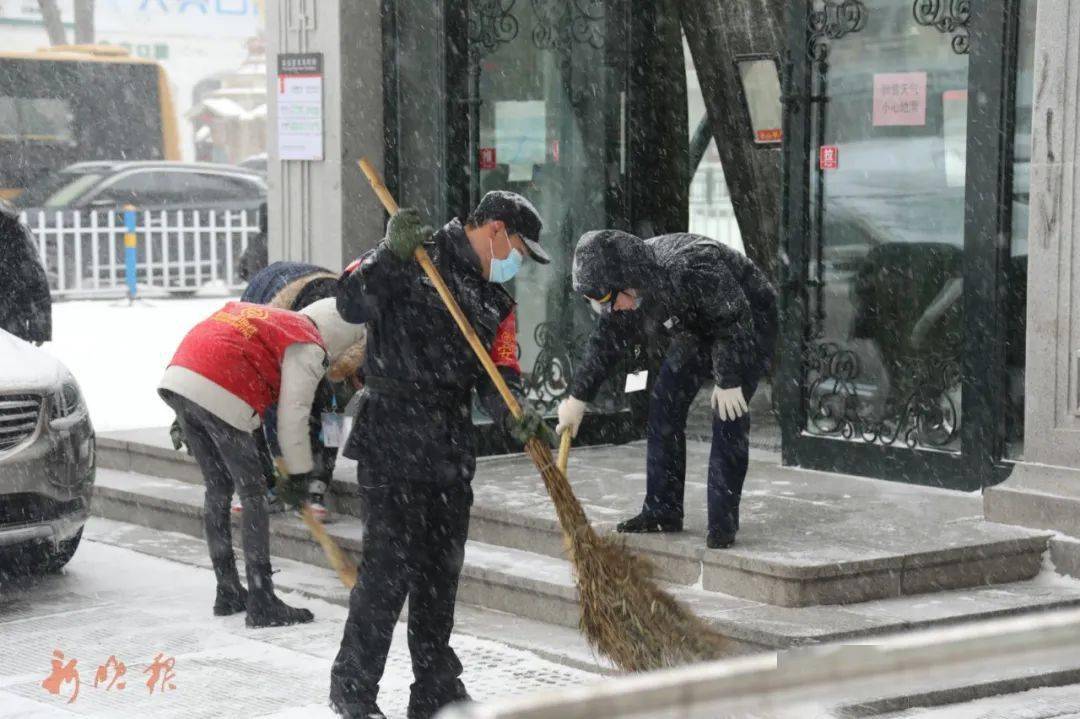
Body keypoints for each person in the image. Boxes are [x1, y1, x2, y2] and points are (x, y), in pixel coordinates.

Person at [329, 191, 553, 719]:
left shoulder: (497, 300)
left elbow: (500, 374)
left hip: (449, 444)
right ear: (495, 230)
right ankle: (353, 692)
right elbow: (350, 301)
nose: (517, 260)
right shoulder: (416, 254)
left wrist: (515, 411)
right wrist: (389, 253)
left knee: (440, 573)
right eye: (518, 246)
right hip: (393, 435)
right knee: (387, 572)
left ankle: (435, 687)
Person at [555, 230, 777, 550]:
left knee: (728, 412)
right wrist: (578, 399)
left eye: (605, 299)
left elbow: (733, 319)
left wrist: (728, 380)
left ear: (625, 280)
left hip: (747, 323)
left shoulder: (689, 266)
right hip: (697, 325)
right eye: (596, 303)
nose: (607, 309)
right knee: (664, 402)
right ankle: (663, 510)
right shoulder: (631, 291)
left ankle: (722, 522)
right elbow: (605, 343)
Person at [158, 297, 365, 627]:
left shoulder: (277, 322)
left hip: (180, 376)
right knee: (252, 494)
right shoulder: (308, 345)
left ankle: (227, 590)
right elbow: (291, 418)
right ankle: (262, 599)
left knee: (218, 488)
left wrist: (278, 468)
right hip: (217, 382)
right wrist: (298, 478)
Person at [0, 200, 51, 345]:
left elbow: (34, 278)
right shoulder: (13, 229)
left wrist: (40, 326)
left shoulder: (13, 230)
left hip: (9, 324)